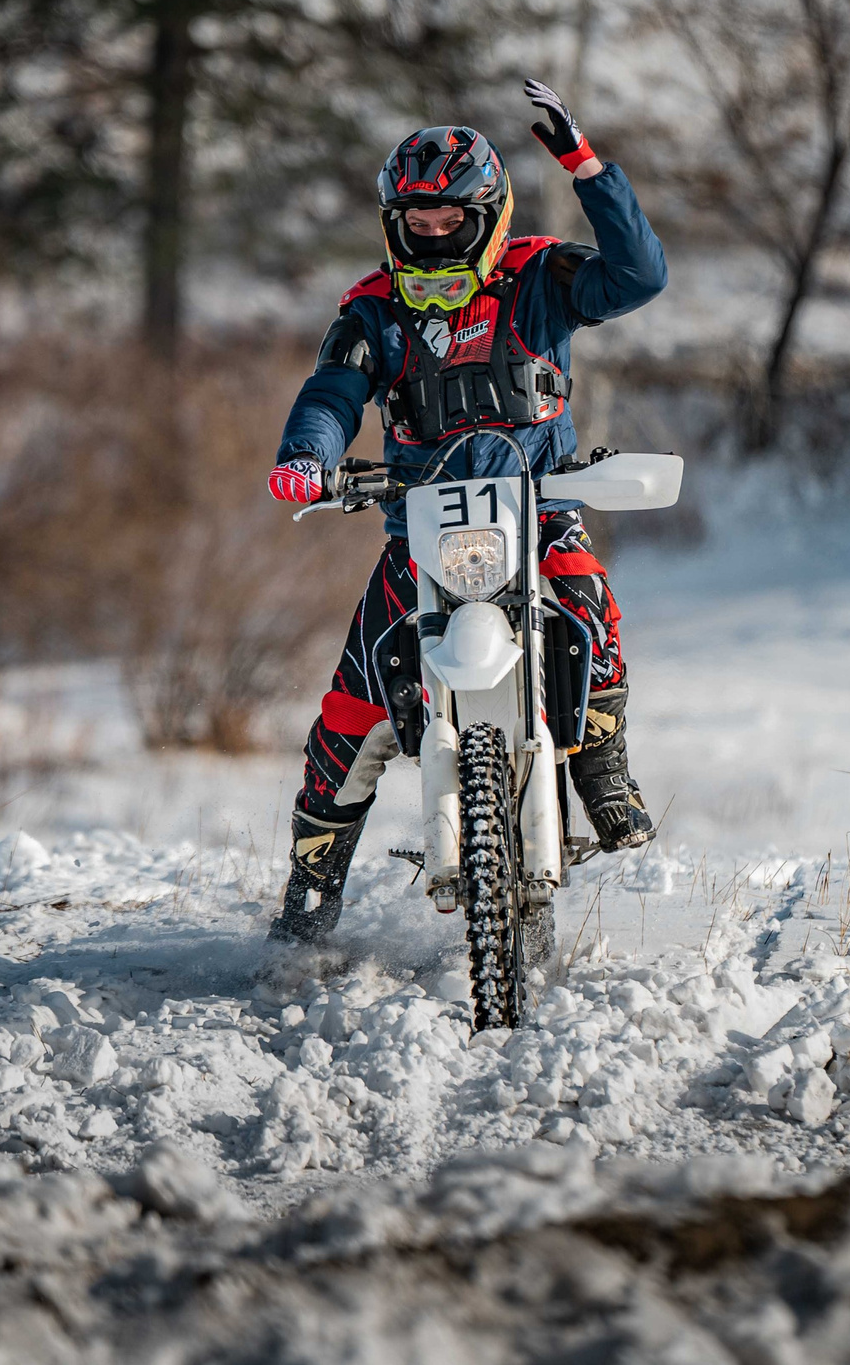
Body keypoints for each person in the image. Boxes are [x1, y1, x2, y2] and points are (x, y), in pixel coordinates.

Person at [263, 80, 669, 944]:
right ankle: (308, 899)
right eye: (419, 221)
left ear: (489, 216)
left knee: (591, 608)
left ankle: (604, 772)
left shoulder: (542, 276)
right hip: (420, 531)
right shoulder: (374, 307)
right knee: (353, 705)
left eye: (453, 219)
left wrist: (587, 167)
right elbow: (332, 390)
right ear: (394, 224)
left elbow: (640, 276)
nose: (436, 234)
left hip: (539, 511)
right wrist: (307, 455)